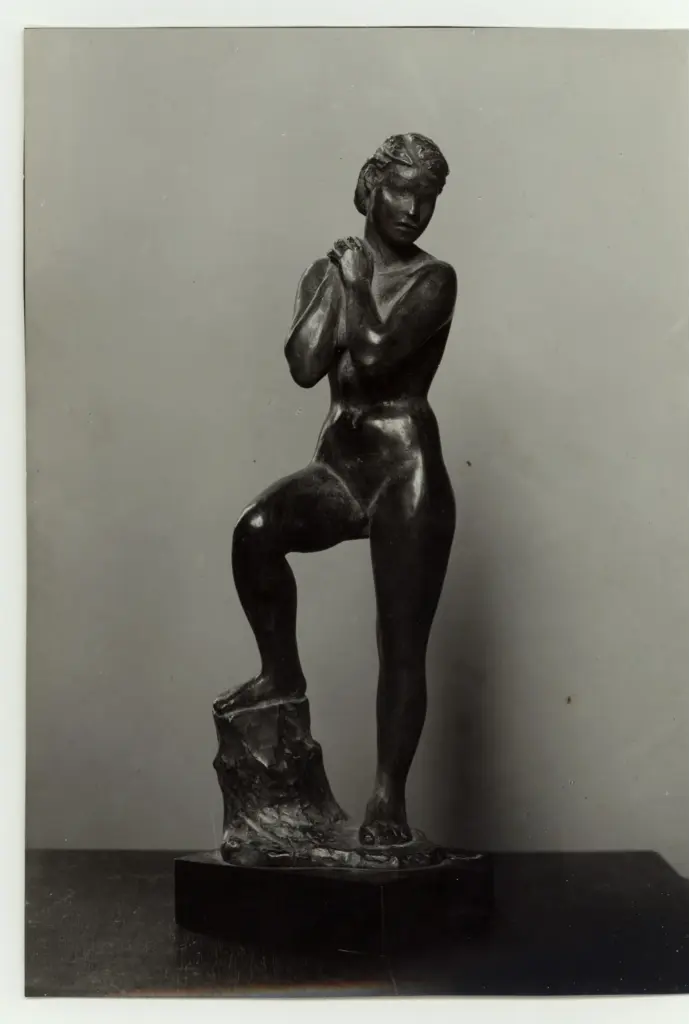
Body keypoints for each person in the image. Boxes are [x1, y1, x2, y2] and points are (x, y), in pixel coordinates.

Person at [216, 133, 458, 846]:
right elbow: (303, 364)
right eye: (401, 190)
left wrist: (354, 284)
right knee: (256, 533)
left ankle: (388, 797)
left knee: (400, 642)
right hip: (344, 467)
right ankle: (280, 673)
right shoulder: (333, 270)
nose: (413, 209)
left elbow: (377, 356)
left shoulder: (434, 280)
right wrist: (333, 281)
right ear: (370, 188)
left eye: (427, 198)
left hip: (406, 470)